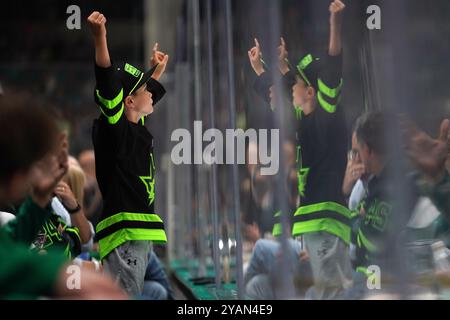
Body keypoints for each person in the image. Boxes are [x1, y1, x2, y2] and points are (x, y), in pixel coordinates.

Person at [0, 96, 126, 299]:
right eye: (36, 163)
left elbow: (13, 241)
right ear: (17, 177)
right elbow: (16, 262)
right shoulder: (7, 213)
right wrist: (65, 274)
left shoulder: (48, 205)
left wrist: (40, 198)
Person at [87, 11, 169, 296]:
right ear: (129, 101)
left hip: (137, 234)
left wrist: (154, 71)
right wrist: (101, 38)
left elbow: (147, 96)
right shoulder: (116, 129)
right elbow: (108, 82)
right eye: (145, 89)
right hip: (125, 234)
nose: (153, 93)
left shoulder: (136, 123)